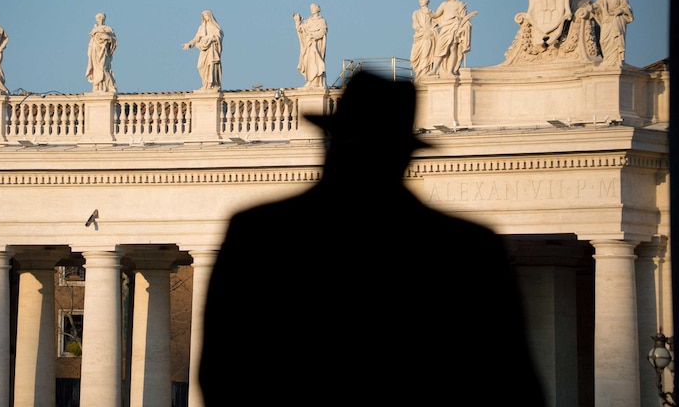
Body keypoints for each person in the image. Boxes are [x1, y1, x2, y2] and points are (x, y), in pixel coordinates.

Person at [199, 71, 546, 407]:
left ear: (330, 143)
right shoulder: (467, 249)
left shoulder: (260, 234)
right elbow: (514, 385)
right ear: (405, 156)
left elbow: (220, 372)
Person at [431, 0, 476, 76]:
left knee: (453, 49)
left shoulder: (460, 4)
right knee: (439, 48)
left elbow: (463, 17)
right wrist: (428, 13)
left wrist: (464, 25)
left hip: (454, 27)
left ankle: (450, 71)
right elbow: (436, 14)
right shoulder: (444, 4)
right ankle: (434, 70)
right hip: (445, 28)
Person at [595, 0, 633, 67]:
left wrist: (621, 10)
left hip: (616, 20)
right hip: (606, 20)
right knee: (603, 40)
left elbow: (627, 7)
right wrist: (592, 7)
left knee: (616, 40)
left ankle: (616, 61)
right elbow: (597, 6)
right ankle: (608, 59)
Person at [183, 9, 223, 90]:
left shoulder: (214, 27)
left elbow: (219, 37)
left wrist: (211, 39)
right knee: (200, 66)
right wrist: (189, 44)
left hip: (211, 49)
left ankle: (210, 84)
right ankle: (205, 83)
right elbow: (196, 38)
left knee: (211, 66)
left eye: (207, 15)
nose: (206, 17)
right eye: (204, 16)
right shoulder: (201, 28)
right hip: (204, 49)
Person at [293, 3, 327, 88]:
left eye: (313, 7)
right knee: (308, 61)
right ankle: (310, 80)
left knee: (315, 60)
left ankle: (315, 80)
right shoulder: (308, 21)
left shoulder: (321, 21)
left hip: (315, 44)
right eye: (311, 8)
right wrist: (297, 21)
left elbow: (323, 32)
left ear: (317, 9)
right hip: (308, 44)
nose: (312, 9)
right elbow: (300, 29)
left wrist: (313, 36)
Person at [85, 12, 118, 92]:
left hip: (104, 52)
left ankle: (107, 86)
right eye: (98, 18)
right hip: (96, 51)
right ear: (96, 20)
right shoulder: (94, 30)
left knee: (104, 68)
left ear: (104, 19)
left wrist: (107, 38)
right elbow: (91, 43)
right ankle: (97, 86)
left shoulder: (108, 29)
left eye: (102, 18)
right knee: (97, 69)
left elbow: (114, 40)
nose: (100, 20)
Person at [410, 0, 437, 78]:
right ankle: (420, 73)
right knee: (417, 56)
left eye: (423, 0)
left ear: (427, 1)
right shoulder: (416, 13)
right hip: (420, 36)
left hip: (430, 36)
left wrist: (431, 31)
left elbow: (435, 24)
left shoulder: (432, 13)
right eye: (420, 0)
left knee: (427, 54)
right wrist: (423, 31)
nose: (421, 2)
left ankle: (426, 72)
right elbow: (415, 25)